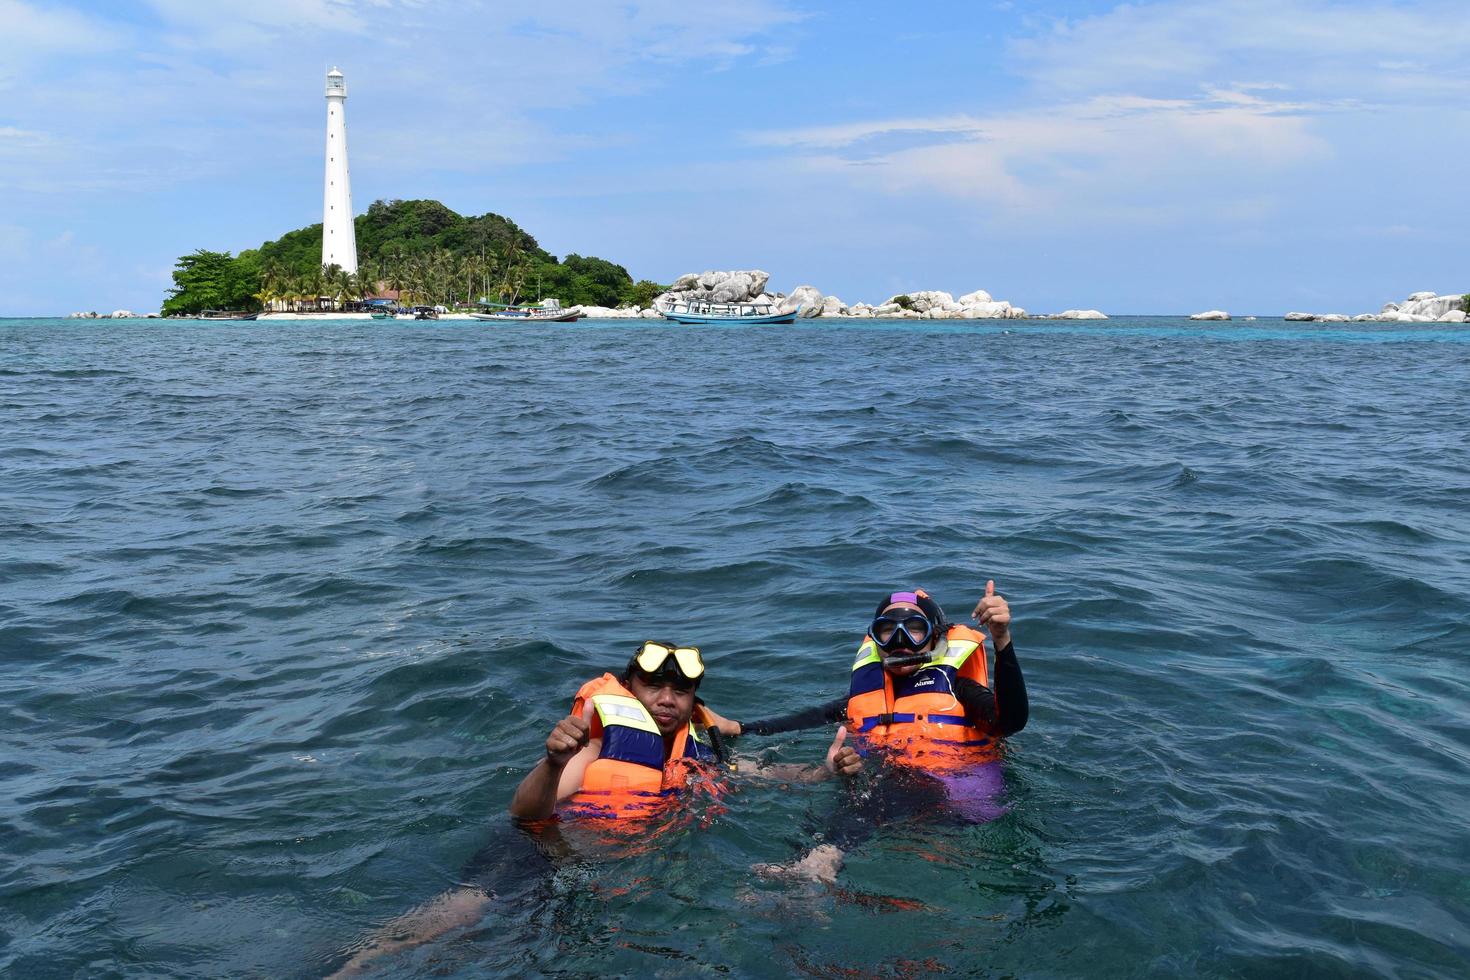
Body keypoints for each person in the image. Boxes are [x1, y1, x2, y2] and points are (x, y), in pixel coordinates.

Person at [704, 581, 1027, 880]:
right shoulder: (863, 699)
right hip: (890, 813)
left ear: (935, 638)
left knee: (892, 781)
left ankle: (822, 861)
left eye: (915, 629)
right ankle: (805, 870)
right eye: (887, 630)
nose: (900, 641)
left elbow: (1009, 721)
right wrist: (738, 727)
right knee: (839, 792)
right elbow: (803, 720)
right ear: (875, 641)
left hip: (959, 806)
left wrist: (1002, 641)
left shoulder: (959, 688)